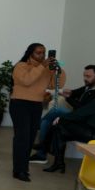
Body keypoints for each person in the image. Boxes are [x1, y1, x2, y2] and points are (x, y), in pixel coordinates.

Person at [42, 77, 95, 173]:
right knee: (60, 131)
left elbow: (82, 112)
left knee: (59, 126)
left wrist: (61, 118)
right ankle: (54, 158)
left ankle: (53, 157)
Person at [10, 43, 64, 182]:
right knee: (22, 137)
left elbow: (56, 85)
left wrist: (59, 69)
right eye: (38, 53)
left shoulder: (45, 68)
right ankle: (19, 170)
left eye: (44, 53)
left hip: (36, 105)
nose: (42, 55)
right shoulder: (21, 66)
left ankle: (23, 168)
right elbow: (27, 81)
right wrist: (41, 66)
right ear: (30, 53)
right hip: (20, 104)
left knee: (30, 138)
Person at [30, 64, 95, 163]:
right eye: (84, 76)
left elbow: (82, 109)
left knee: (56, 112)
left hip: (83, 121)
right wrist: (62, 92)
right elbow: (73, 93)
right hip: (76, 116)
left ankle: (40, 144)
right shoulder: (89, 87)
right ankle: (41, 151)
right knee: (48, 120)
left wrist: (67, 97)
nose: (85, 79)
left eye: (88, 76)